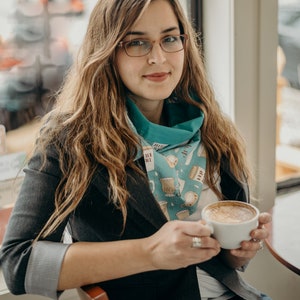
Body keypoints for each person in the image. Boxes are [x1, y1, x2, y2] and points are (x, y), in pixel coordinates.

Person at [0, 0, 272, 299]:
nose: (158, 58)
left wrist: (238, 252)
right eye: (137, 43)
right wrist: (150, 252)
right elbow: (19, 264)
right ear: (107, 52)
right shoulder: (70, 139)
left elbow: (223, 259)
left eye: (169, 38)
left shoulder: (208, 121)